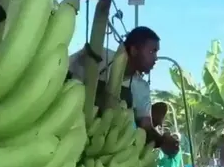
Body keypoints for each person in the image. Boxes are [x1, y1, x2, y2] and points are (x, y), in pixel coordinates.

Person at [68, 27, 179, 155]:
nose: (155, 58)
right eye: (151, 51)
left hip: (103, 146)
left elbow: (146, 127)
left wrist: (162, 140)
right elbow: (64, 71)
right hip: (72, 130)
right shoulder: (99, 56)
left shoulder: (141, 88)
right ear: (134, 50)